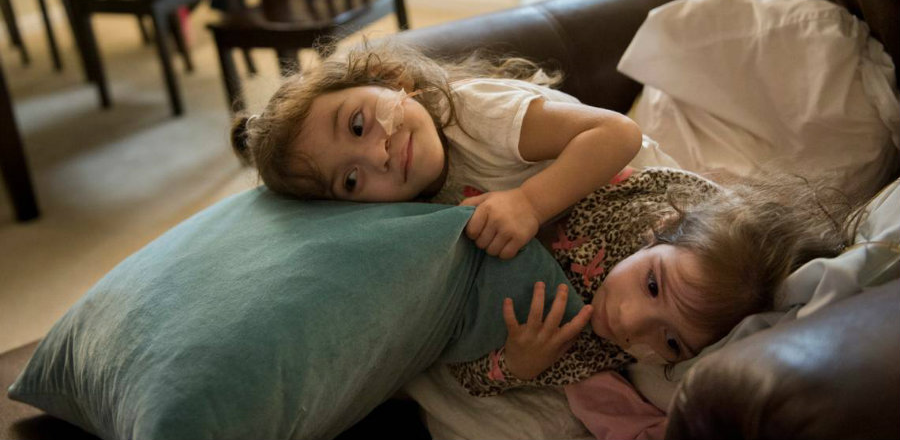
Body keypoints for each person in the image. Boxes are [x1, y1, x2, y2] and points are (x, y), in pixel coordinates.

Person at [448, 166, 858, 396]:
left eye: (672, 342)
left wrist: (516, 365)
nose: (629, 322)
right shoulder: (641, 195)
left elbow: (464, 374)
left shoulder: (583, 344)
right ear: (661, 228)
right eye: (651, 286)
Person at [231, 39, 645, 259]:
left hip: (649, 195)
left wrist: (529, 203)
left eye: (358, 125)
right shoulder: (412, 205)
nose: (378, 156)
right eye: (352, 179)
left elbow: (618, 133)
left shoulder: (479, 113)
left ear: (390, 79)